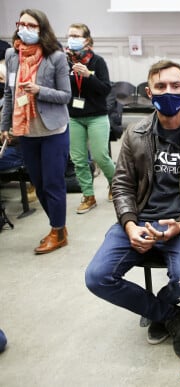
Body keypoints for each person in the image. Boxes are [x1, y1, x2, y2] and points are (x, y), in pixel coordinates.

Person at [84, 60, 180, 359]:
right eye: (161, 86)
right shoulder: (135, 134)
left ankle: (161, 305)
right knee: (97, 277)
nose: (169, 92)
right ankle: (170, 315)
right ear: (149, 92)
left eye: (175, 86)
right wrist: (130, 225)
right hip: (140, 221)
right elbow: (121, 186)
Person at [0, 9, 72, 254]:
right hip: (25, 131)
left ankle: (58, 230)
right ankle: (58, 225)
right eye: (21, 23)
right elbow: (9, 94)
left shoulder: (56, 57)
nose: (24, 28)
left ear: (42, 28)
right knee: (39, 185)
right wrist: (4, 126)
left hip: (53, 130)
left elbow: (65, 96)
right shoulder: (12, 55)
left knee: (53, 183)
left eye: (31, 25)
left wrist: (38, 90)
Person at [65, 23, 116, 215]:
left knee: (101, 156)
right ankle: (88, 195)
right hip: (74, 116)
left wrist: (88, 76)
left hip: (97, 116)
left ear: (86, 40)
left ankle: (116, 185)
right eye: (70, 35)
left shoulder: (97, 61)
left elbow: (105, 89)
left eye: (76, 35)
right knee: (78, 159)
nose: (72, 39)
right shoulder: (64, 61)